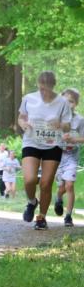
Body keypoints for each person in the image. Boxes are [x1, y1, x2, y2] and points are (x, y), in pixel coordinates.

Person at [17, 71, 72, 230]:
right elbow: (21, 117)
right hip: (31, 141)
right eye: (41, 89)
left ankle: (41, 217)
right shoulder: (29, 98)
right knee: (29, 179)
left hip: (53, 143)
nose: (44, 92)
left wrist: (60, 125)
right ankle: (31, 202)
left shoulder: (62, 102)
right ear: (38, 85)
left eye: (47, 89)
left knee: (46, 183)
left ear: (53, 86)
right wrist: (23, 124)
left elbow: (68, 125)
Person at [54, 88, 83, 227]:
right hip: (57, 156)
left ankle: (68, 216)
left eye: (71, 102)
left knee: (70, 185)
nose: (68, 104)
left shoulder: (79, 120)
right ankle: (59, 197)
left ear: (76, 104)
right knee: (62, 187)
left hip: (71, 156)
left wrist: (74, 139)